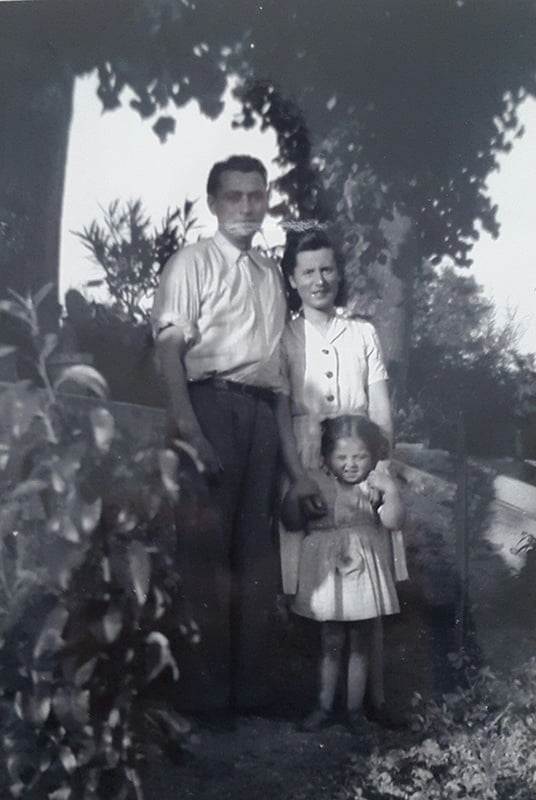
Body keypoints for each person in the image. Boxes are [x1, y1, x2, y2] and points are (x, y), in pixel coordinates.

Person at [151, 155, 287, 716]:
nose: (246, 206)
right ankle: (203, 700)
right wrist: (190, 427)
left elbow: (276, 370)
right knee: (205, 555)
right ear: (212, 203)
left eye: (256, 195)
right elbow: (168, 348)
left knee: (255, 557)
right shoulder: (191, 262)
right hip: (210, 407)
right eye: (234, 196)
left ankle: (249, 693)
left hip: (260, 416)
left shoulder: (271, 275)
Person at [276, 228, 408, 727]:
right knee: (320, 590)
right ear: (293, 278)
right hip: (309, 464)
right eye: (308, 271)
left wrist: (380, 469)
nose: (319, 279)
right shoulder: (284, 337)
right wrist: (295, 475)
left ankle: (369, 701)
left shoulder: (362, 333)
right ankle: (317, 698)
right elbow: (280, 408)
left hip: (359, 458)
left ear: (339, 273)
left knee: (367, 590)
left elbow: (381, 409)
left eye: (327, 268)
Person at [281, 415, 405, 736]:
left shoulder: (374, 485)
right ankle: (322, 707)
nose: (351, 465)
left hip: (364, 574)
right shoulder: (315, 482)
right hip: (329, 576)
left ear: (373, 457)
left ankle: (354, 711)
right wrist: (295, 494)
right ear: (325, 459)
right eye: (342, 457)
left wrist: (391, 492)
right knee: (331, 639)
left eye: (360, 457)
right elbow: (292, 523)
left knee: (362, 641)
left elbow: (392, 522)